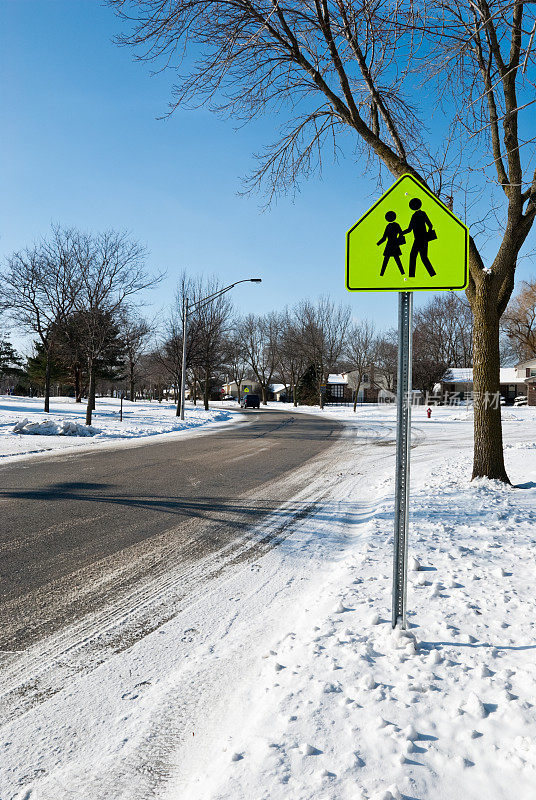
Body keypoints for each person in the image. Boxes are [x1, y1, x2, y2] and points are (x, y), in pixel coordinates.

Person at [403, 198, 436, 278]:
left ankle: (412, 276)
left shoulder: (415, 216)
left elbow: (409, 229)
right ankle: (432, 274)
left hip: (419, 239)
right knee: (423, 257)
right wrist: (427, 235)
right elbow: (430, 225)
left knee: (414, 256)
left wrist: (401, 233)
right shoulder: (421, 214)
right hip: (422, 239)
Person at [377, 211, 405, 276]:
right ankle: (402, 273)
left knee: (387, 260)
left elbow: (384, 238)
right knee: (396, 260)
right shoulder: (396, 225)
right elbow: (401, 234)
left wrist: (378, 243)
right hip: (394, 244)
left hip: (390, 245)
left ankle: (381, 274)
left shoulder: (388, 226)